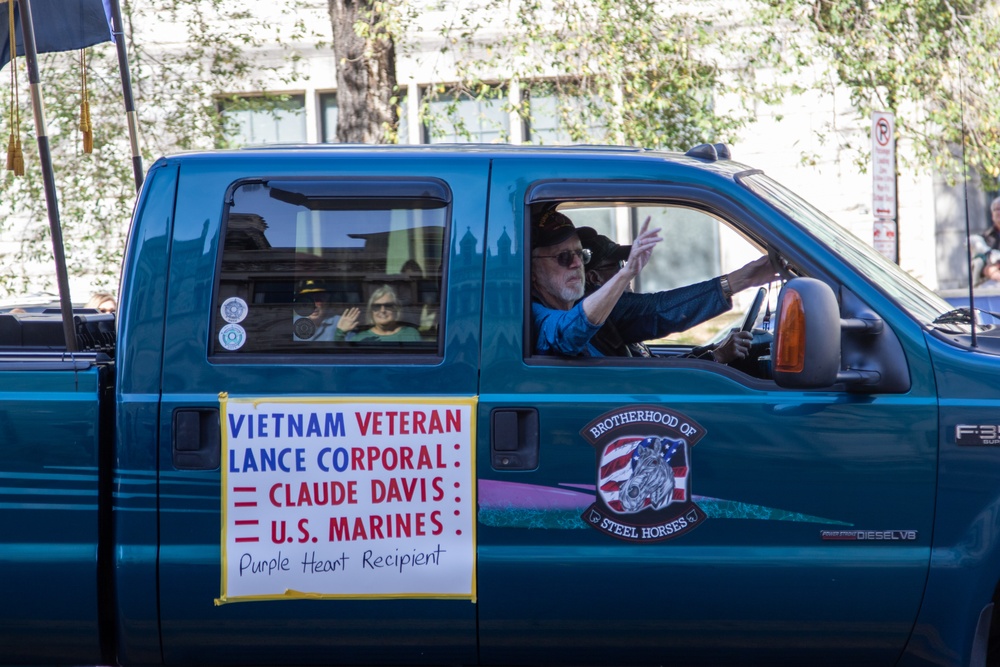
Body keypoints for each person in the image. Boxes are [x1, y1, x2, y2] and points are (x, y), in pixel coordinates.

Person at [530, 209, 774, 358]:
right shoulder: (531, 318)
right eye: (563, 257)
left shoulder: (600, 308)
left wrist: (743, 278)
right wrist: (624, 276)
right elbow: (567, 333)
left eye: (581, 255)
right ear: (532, 271)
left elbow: (660, 309)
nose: (576, 264)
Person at [577, 227, 759, 362]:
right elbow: (661, 309)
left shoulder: (613, 319)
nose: (628, 272)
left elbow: (656, 366)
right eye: (619, 266)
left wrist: (714, 349)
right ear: (595, 277)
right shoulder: (607, 312)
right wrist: (737, 281)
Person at [334, 284, 421, 343]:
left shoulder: (411, 334)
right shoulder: (360, 338)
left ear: (396, 308)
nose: (382, 310)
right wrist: (340, 333)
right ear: (371, 311)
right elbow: (343, 363)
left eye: (388, 305)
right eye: (376, 306)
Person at [971, 196, 1000, 286]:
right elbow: (980, 267)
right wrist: (991, 272)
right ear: (992, 215)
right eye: (997, 209)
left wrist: (995, 267)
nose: (999, 212)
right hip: (990, 288)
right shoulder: (984, 238)